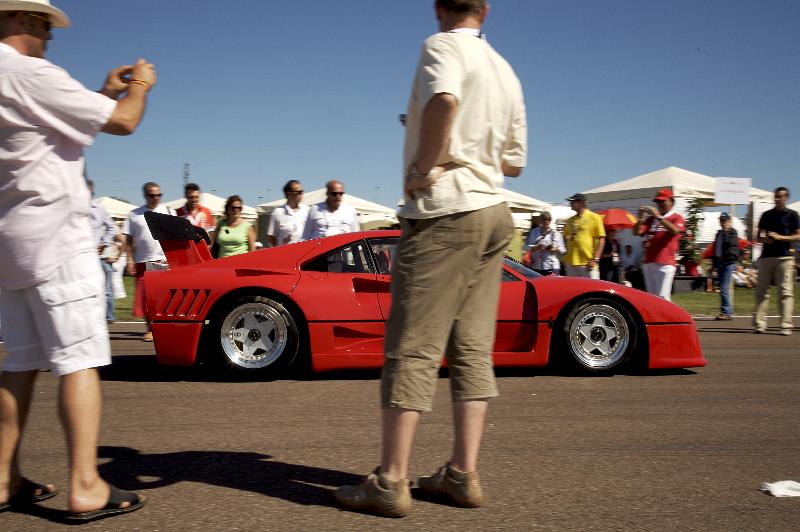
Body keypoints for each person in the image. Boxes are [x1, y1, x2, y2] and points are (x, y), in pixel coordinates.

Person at [335, 0, 526, 517]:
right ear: (486, 9)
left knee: (412, 347)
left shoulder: (440, 45)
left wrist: (424, 164)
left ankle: (389, 481)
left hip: (446, 211)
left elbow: (443, 100)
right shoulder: (505, 69)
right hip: (494, 213)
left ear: (440, 7)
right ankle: (462, 474)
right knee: (471, 347)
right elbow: (514, 161)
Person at [0, 0, 154, 521]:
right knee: (80, 359)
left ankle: (2, 477)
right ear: (18, 20)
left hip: (11, 240)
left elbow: (48, 126)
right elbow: (125, 123)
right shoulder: (30, 71)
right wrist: (139, 87)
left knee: (19, 363)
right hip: (56, 239)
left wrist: (100, 91)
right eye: (44, 24)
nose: (51, 35)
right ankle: (86, 483)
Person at [124, 182, 175, 342]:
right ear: (145, 195)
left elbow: (175, 236)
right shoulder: (134, 215)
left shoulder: (168, 211)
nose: (156, 198)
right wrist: (129, 259)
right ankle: (150, 329)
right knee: (145, 299)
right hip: (142, 261)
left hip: (163, 261)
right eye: (152, 195)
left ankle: (164, 329)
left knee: (163, 298)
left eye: (159, 195)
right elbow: (128, 240)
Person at [753, 187, 799, 335]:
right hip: (767, 256)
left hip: (785, 257)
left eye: (780, 196)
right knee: (761, 291)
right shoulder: (767, 215)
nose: (777, 199)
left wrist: (781, 237)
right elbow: (758, 236)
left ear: (786, 198)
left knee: (785, 292)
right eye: (776, 196)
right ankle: (760, 324)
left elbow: (798, 236)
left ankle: (785, 325)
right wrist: (767, 239)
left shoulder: (793, 215)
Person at [634, 188, 685, 301]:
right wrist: (640, 219)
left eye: (662, 201)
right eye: (657, 202)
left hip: (665, 262)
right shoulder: (651, 219)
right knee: (652, 298)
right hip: (649, 261)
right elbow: (636, 232)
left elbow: (675, 231)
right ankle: (655, 319)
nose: (659, 204)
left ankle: (670, 318)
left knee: (663, 297)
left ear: (671, 201)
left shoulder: (676, 217)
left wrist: (659, 217)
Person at [87, 180, 120, 324]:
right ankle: (91, 317)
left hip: (99, 256)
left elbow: (112, 228)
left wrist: (104, 242)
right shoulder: (72, 209)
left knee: (106, 289)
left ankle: (109, 317)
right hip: (81, 257)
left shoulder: (98, 209)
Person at [562, 193, 605, 279]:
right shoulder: (570, 220)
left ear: (581, 203)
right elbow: (565, 237)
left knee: (593, 290)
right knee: (574, 291)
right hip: (570, 263)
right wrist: (569, 238)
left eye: (572, 201)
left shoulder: (595, 217)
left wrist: (596, 259)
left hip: (588, 263)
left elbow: (602, 240)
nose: (570, 203)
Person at [711, 212, 739, 320]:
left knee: (724, 288)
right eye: (721, 220)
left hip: (729, 262)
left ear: (729, 221)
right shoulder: (718, 233)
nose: (722, 222)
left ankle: (726, 312)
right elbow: (715, 250)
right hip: (720, 263)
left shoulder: (732, 232)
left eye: (724, 220)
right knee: (723, 288)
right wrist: (714, 266)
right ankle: (725, 311)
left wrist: (726, 232)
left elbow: (731, 245)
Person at [266, 180, 309, 246]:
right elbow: (271, 238)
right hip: (285, 253)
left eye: (302, 191)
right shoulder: (278, 212)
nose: (302, 194)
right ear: (289, 193)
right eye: (299, 192)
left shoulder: (307, 210)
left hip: (305, 252)